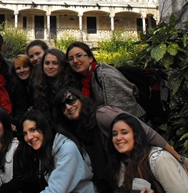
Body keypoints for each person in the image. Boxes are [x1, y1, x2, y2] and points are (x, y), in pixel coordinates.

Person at [54, 87, 188, 192]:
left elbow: (146, 131)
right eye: (62, 107)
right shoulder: (121, 166)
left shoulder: (102, 115)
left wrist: (180, 158)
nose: (68, 107)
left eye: (71, 99)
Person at [0, 109, 95, 193]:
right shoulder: (42, 148)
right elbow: (23, 181)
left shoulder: (67, 149)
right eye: (25, 133)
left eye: (33, 130)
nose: (29, 137)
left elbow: (55, 191)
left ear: (44, 128)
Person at [108, 113, 188, 193]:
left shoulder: (159, 159)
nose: (118, 138)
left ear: (136, 135)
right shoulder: (123, 162)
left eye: (124, 133)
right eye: (114, 134)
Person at [66, 41, 146, 118]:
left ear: (90, 58)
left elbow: (124, 107)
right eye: (71, 59)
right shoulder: (84, 80)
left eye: (79, 56)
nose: (75, 61)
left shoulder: (104, 75)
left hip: (132, 124)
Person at [32, 48, 78, 116]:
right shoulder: (38, 84)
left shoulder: (71, 83)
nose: (50, 67)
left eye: (55, 63)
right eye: (47, 63)